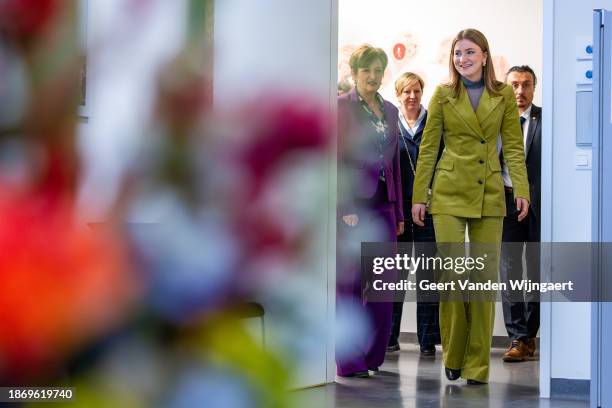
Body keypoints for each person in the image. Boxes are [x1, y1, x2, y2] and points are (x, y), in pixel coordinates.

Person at [411, 29, 530, 385]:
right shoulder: (444, 94)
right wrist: (420, 195)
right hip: (447, 193)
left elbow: (512, 145)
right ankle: (454, 354)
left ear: (484, 55)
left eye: (469, 52)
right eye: (457, 53)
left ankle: (477, 366)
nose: (462, 59)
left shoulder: (504, 94)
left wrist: (520, 188)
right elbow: (429, 148)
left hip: (489, 192)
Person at [336, 44, 404, 378]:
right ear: (355, 73)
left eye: (378, 70)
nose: (373, 77)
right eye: (367, 71)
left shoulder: (391, 111)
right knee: (349, 287)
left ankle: (373, 356)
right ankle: (348, 360)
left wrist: (400, 211)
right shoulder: (341, 108)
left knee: (382, 286)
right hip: (354, 206)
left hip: (385, 204)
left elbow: (396, 165)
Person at [387, 72, 441, 356]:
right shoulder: (389, 125)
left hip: (430, 211)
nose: (411, 96)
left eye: (416, 91)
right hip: (398, 211)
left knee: (428, 278)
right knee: (395, 277)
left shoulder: (435, 124)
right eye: (406, 91)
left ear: (423, 92)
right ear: (398, 95)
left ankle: (428, 340)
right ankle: (390, 338)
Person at [500, 65, 541, 362]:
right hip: (505, 203)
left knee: (538, 270)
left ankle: (529, 334)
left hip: (539, 204)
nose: (520, 91)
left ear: (534, 89)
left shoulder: (546, 120)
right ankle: (517, 337)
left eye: (526, 85)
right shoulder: (496, 121)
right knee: (509, 271)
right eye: (514, 84)